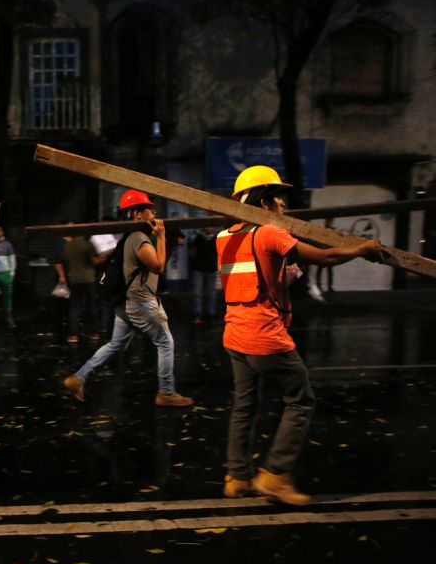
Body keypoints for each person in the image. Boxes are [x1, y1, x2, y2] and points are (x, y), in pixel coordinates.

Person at [218, 166, 382, 506]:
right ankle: (276, 474)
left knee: (244, 406)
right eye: (278, 199)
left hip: (234, 333)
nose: (283, 207)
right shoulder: (268, 233)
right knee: (301, 398)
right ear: (264, 202)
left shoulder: (225, 236)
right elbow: (325, 256)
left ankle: (237, 477)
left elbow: (251, 277)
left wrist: (284, 276)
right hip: (263, 335)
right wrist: (359, 248)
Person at [63, 190, 193, 407]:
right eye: (148, 209)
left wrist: (167, 242)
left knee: (115, 344)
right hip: (140, 303)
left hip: (127, 303)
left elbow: (153, 266)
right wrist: (161, 237)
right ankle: (167, 393)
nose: (153, 211)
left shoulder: (133, 238)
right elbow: (159, 267)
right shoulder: (139, 238)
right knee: (165, 342)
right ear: (136, 214)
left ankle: (78, 378)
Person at [55, 234, 104, 343]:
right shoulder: (88, 245)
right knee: (92, 306)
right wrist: (105, 256)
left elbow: (60, 261)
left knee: (74, 308)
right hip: (89, 279)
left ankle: (73, 335)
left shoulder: (67, 246)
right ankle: (93, 333)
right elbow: (95, 261)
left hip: (74, 280)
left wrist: (63, 275)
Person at [188, 228, 218, 324]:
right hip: (199, 268)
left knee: (211, 293)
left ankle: (211, 315)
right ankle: (197, 315)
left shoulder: (217, 238)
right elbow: (192, 251)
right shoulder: (198, 238)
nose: (208, 228)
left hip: (211, 269)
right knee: (198, 293)